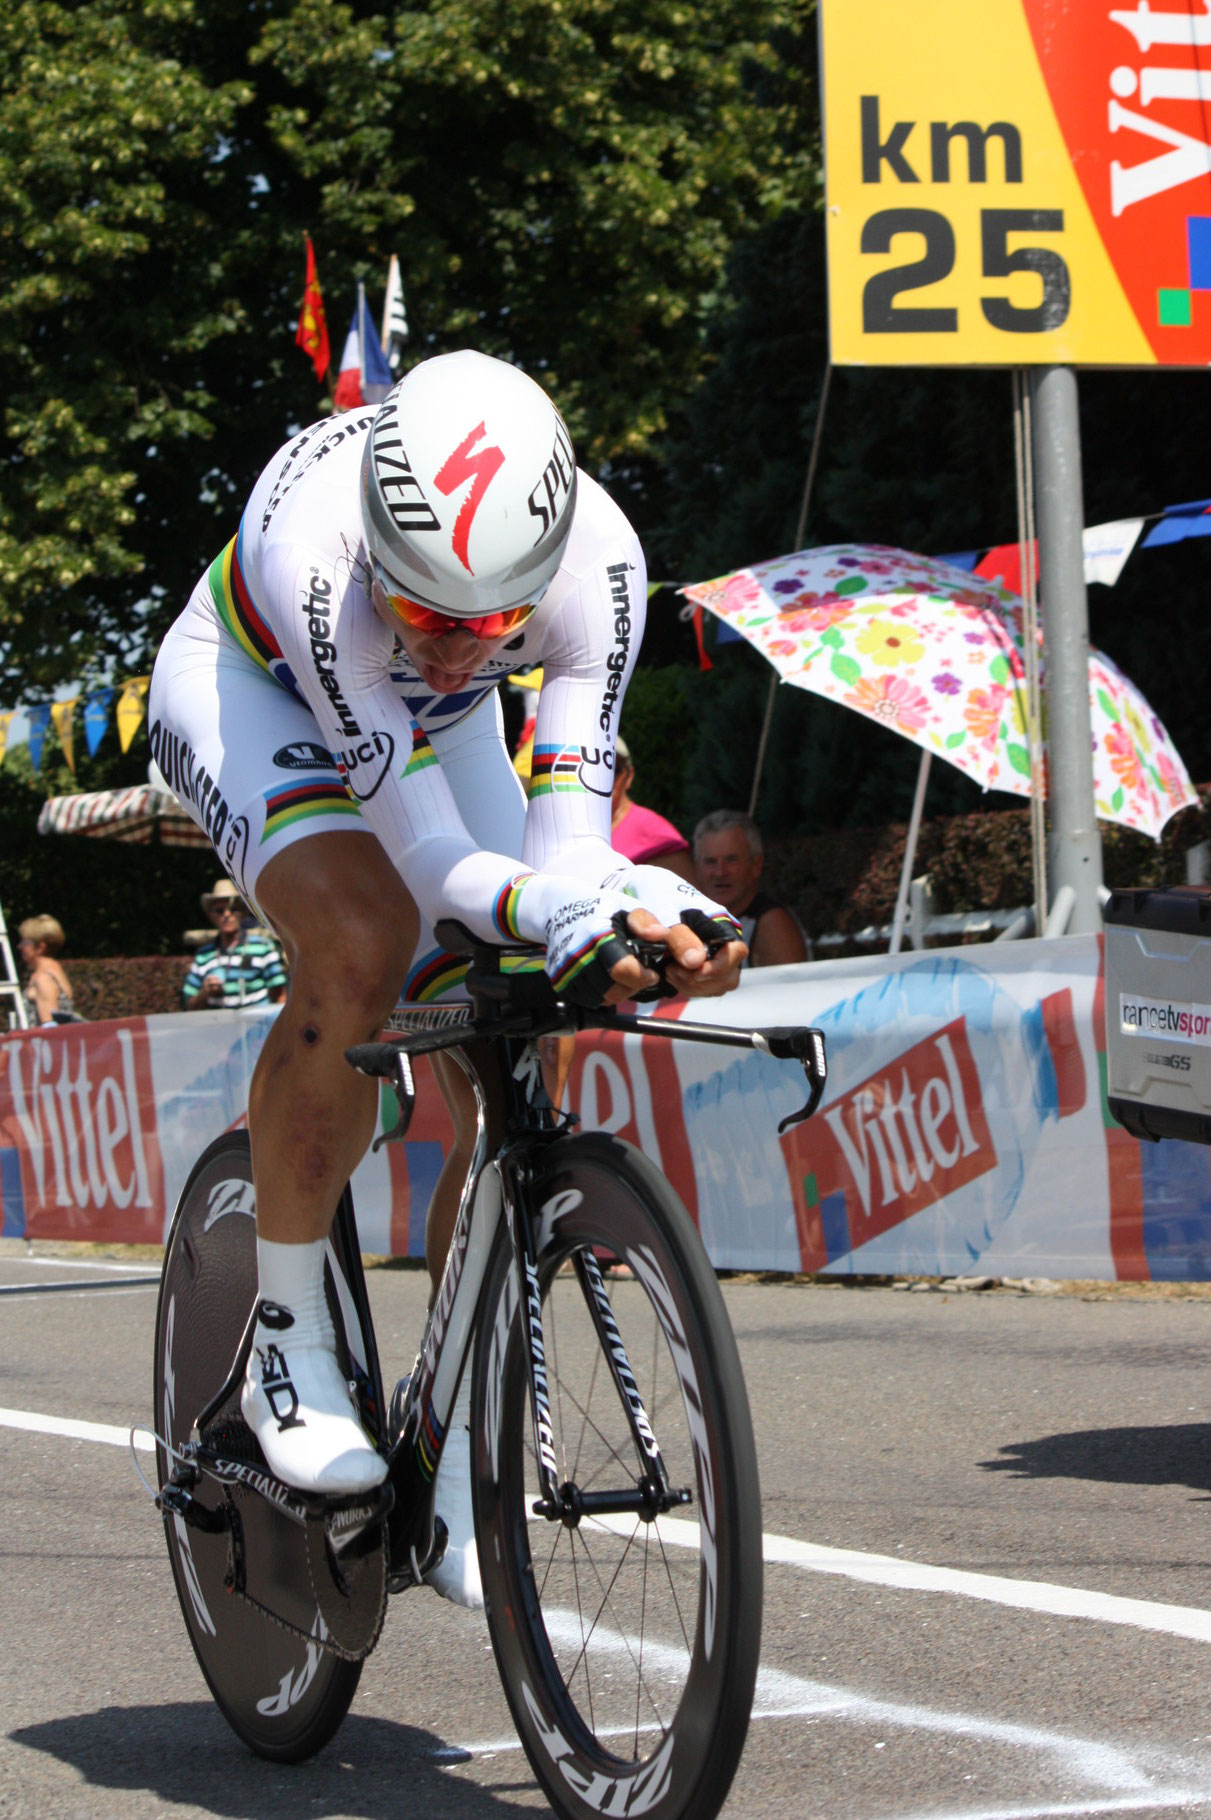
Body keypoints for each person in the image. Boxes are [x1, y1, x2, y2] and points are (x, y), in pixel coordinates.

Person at [148, 350, 745, 1602]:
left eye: (485, 628)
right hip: (250, 685)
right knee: (363, 938)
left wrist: (640, 897)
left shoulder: (603, 562)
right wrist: (552, 899)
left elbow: (567, 843)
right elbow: (429, 858)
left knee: (527, 1010)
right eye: (421, 611)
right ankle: (286, 1337)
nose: (452, 642)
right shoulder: (320, 561)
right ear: (376, 551)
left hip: (428, 724)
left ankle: (460, 1439)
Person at [692, 810, 809, 968]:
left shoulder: (771, 923)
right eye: (710, 862)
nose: (720, 872)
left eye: (731, 860)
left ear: (756, 865)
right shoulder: (691, 921)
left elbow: (791, 990)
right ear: (696, 867)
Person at [181, 879, 289, 1010]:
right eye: (220, 911)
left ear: (243, 913)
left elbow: (280, 997)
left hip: (259, 1027)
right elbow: (190, 1006)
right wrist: (205, 992)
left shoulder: (263, 948)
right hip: (218, 1027)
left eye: (233, 909)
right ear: (211, 915)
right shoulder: (204, 955)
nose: (227, 915)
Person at [610, 737, 696, 882]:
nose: (603, 777)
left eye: (614, 769)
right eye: (594, 768)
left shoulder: (657, 834)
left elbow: (688, 899)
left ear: (629, 777)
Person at [18, 915, 77, 1025]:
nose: (20, 947)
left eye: (25, 943)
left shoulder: (43, 978)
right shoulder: (55, 970)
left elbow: (49, 1026)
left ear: (40, 947)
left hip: (39, 1041)